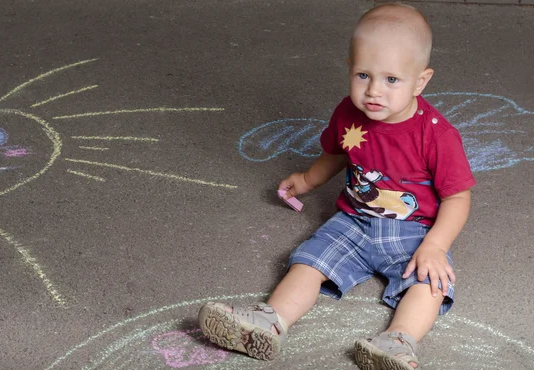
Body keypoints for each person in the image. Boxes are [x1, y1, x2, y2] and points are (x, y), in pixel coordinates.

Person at [198, 3, 476, 369]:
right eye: (364, 75)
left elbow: (457, 196)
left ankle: (397, 342)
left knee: (431, 283)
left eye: (392, 80)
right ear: (350, 67)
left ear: (420, 81)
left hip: (414, 231)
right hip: (354, 221)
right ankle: (269, 322)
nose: (374, 91)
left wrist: (436, 246)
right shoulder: (348, 112)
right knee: (309, 263)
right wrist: (308, 179)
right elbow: (339, 152)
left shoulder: (436, 135)